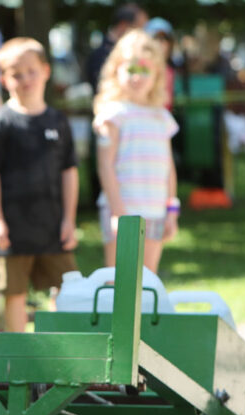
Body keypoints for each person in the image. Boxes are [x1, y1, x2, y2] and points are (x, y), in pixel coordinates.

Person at [0, 37, 78, 333]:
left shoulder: (58, 121)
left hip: (52, 227)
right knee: (14, 294)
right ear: (4, 79)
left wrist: (69, 220)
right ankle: (16, 359)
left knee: (65, 289)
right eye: (16, 74)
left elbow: (69, 171)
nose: (25, 80)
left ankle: (59, 355)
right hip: (12, 231)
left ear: (46, 71)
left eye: (31, 71)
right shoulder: (1, 122)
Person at [93, 29, 178, 273]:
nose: (137, 77)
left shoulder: (162, 117)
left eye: (144, 70)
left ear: (157, 75)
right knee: (118, 280)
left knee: (147, 280)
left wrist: (172, 210)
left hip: (155, 211)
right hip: (123, 210)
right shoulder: (113, 114)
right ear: (116, 70)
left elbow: (168, 168)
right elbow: (105, 165)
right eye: (131, 69)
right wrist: (118, 213)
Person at [85, 3, 146, 94]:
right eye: (138, 27)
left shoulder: (134, 52)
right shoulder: (100, 55)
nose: (141, 34)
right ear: (123, 25)